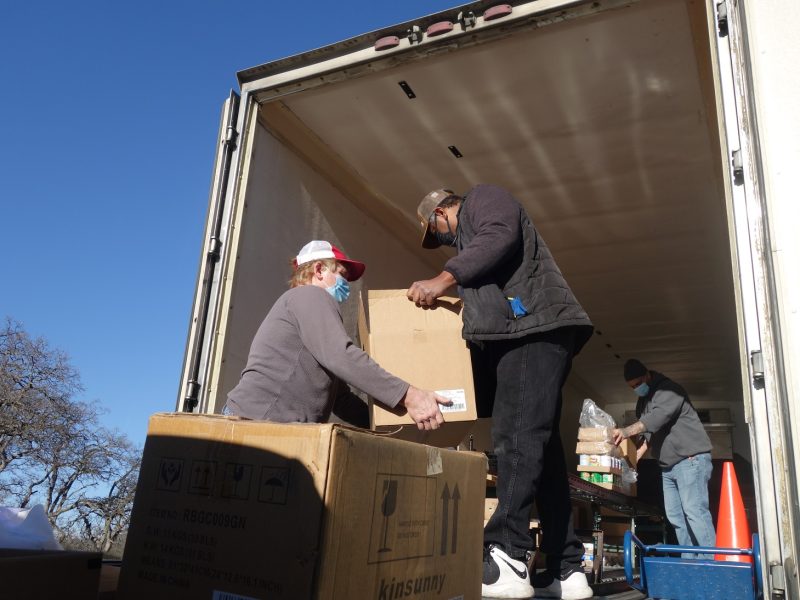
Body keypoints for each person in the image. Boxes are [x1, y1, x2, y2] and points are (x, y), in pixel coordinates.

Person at [409, 185, 594, 599]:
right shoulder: (476, 245)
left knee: (516, 440)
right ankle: (566, 569)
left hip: (531, 333)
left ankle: (507, 553)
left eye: (438, 234)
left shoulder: (485, 199)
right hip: (529, 334)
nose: (444, 243)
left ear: (441, 213)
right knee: (542, 453)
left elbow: (499, 234)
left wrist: (443, 279)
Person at [225, 240, 450, 430]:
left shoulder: (302, 308)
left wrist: (387, 423)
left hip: (260, 421)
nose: (347, 285)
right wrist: (410, 396)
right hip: (257, 421)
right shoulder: (310, 296)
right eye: (341, 274)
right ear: (319, 270)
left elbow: (341, 400)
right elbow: (341, 356)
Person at [612, 359, 716, 556]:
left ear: (647, 375)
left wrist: (625, 431)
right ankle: (690, 562)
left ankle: (711, 562)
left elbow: (655, 420)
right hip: (668, 467)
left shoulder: (669, 390)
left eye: (637, 384)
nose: (636, 389)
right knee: (675, 517)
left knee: (694, 512)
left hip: (690, 460)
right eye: (632, 387)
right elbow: (651, 434)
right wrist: (634, 460)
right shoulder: (644, 401)